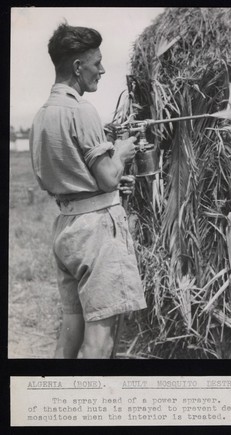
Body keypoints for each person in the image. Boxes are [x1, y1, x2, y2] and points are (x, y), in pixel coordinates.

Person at [29, 23, 147, 358]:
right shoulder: (82, 111)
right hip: (96, 231)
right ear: (78, 66)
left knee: (70, 332)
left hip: (65, 228)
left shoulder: (41, 115)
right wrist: (121, 151)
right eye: (96, 63)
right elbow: (109, 179)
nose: (102, 69)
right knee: (100, 341)